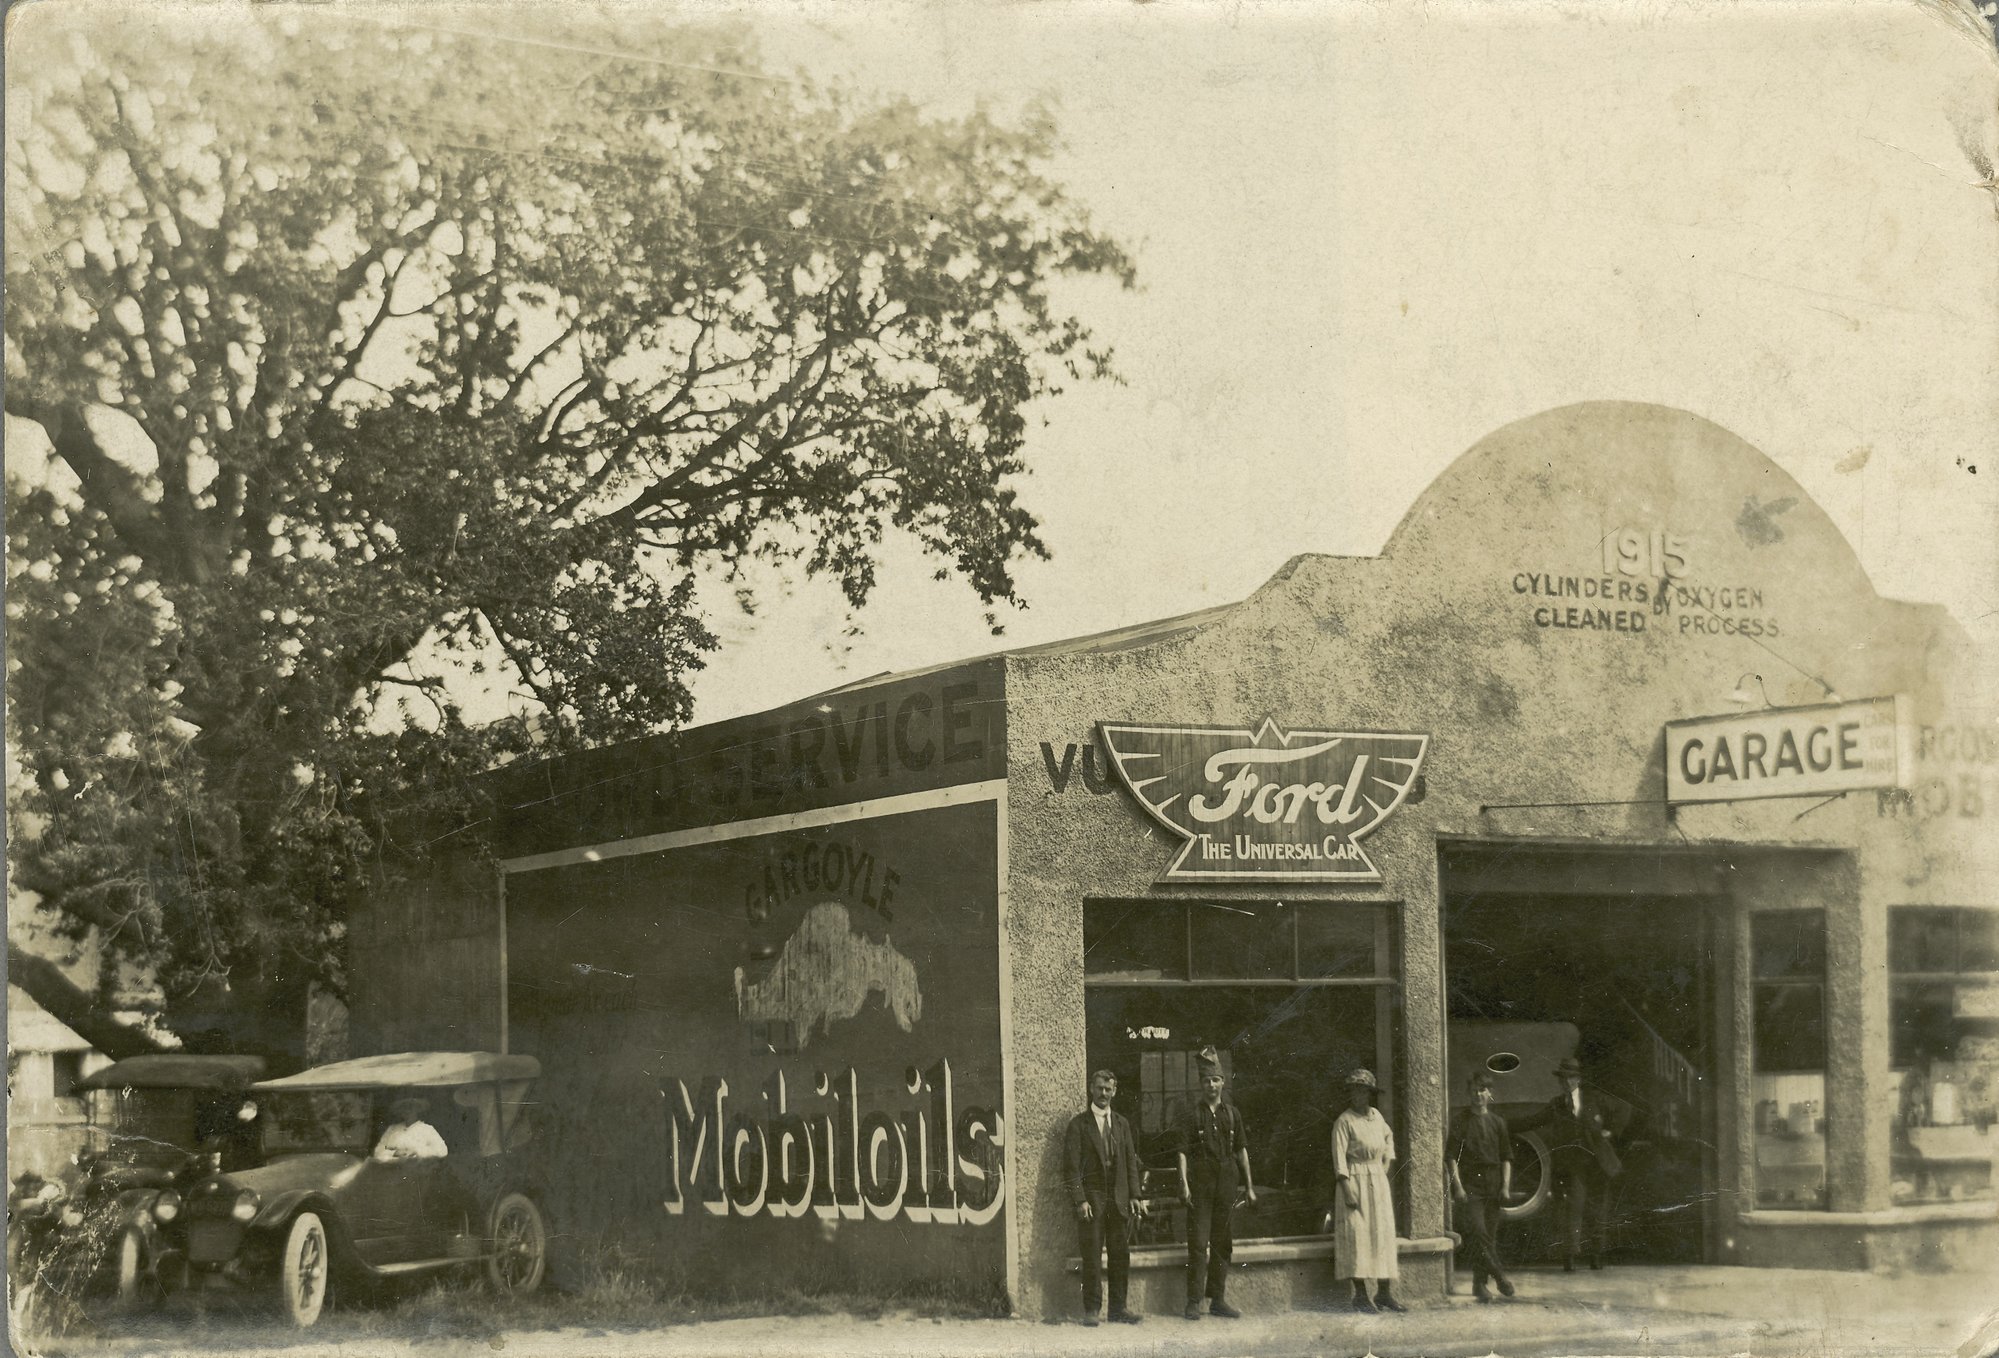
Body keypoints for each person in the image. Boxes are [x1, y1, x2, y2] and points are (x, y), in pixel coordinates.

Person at [1520, 1055, 1630, 1270]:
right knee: (1573, 1207)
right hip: (1573, 1164)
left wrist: (1611, 1132)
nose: (1566, 1082)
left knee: (1598, 1209)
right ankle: (1569, 1256)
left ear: (1578, 1079)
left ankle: (1596, 1255)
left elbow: (1625, 1109)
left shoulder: (1594, 1099)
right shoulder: (1556, 1105)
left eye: (1570, 1077)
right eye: (1562, 1078)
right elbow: (1532, 1121)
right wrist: (1500, 1125)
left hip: (1598, 1163)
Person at [1175, 1046, 1255, 1321]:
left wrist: (1250, 1186)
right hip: (1200, 1185)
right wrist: (1183, 1184)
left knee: (1223, 1243)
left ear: (1223, 1083)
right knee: (1198, 1244)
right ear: (1201, 1084)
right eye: (1207, 1081)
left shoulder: (1232, 1114)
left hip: (1226, 1184)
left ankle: (1217, 1299)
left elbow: (1241, 1151)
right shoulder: (1191, 1114)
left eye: (1216, 1080)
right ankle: (1193, 1301)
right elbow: (1182, 1152)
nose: (1211, 1085)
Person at [1063, 1069, 1145, 1326]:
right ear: (1091, 1088)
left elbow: (1130, 1162)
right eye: (1099, 1088)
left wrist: (1135, 1195)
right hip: (1093, 1201)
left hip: (1118, 1200)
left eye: (1108, 1089)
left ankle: (1118, 1309)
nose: (1103, 1093)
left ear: (1114, 1091)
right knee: (1092, 1256)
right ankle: (1092, 1310)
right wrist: (1080, 1200)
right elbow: (1071, 1168)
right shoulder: (1079, 1125)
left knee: (1120, 1255)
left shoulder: (1122, 1124)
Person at [1331, 1068, 1402, 1312]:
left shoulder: (1377, 1117)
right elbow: (1339, 1157)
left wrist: (1385, 1162)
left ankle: (1384, 1293)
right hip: (1354, 1180)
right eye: (1354, 1091)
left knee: (1381, 1233)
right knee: (1358, 1236)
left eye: (1362, 1091)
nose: (1358, 1096)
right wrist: (1346, 1187)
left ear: (1370, 1094)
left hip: (1377, 1181)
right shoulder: (1344, 1121)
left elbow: (1388, 1139)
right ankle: (1360, 1295)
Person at [1447, 1071, 1517, 1303]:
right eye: (1474, 1090)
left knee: (1489, 1237)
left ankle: (1479, 1285)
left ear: (1490, 1093)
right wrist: (1457, 1186)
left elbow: (1506, 1157)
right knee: (1478, 1233)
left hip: (1494, 1184)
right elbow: (1451, 1157)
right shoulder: (1460, 1121)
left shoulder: (1498, 1123)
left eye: (1482, 1090)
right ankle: (1500, 1277)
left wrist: (1505, 1186)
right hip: (1471, 1185)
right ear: (1469, 1093)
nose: (1478, 1095)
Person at [373, 1095, 449, 1162]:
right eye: (404, 1108)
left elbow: (442, 1151)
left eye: (410, 1108)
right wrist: (394, 1153)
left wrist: (416, 1151)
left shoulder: (427, 1129)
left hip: (418, 1169)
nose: (407, 1111)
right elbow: (378, 1151)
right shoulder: (392, 1129)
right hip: (394, 1169)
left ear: (417, 1110)